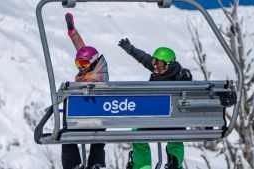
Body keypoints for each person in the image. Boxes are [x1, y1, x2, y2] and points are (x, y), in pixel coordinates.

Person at [118, 38, 192, 169]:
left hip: (168, 121)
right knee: (177, 133)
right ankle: (169, 163)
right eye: (154, 62)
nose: (155, 66)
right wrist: (130, 49)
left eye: (158, 63)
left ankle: (145, 164)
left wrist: (186, 78)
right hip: (170, 123)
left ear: (168, 65)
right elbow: (144, 58)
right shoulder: (163, 70)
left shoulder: (178, 77)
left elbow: (187, 85)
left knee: (139, 132)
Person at [61, 13, 109, 169]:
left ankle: (72, 165)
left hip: (84, 120)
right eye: (78, 63)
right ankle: (96, 163)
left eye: (83, 63)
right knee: (98, 137)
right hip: (100, 123)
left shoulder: (94, 78)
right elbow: (82, 48)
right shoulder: (98, 68)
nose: (80, 67)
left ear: (93, 62)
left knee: (66, 133)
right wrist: (71, 30)